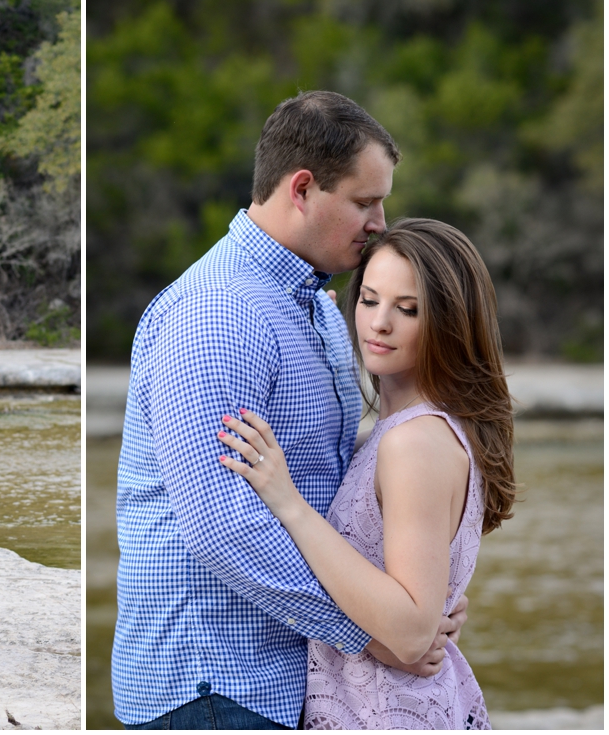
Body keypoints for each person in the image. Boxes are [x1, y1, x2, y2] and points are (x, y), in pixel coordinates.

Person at [112, 91, 468, 730]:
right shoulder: (218, 314)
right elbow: (223, 528)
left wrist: (414, 604)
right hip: (215, 685)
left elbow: (338, 491)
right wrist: (372, 634)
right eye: (364, 201)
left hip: (290, 678)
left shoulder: (317, 305)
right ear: (302, 189)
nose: (380, 221)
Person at [218, 217, 515, 728]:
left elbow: (409, 631)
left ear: (450, 322)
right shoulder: (404, 431)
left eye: (408, 309)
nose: (379, 323)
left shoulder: (414, 442)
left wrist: (289, 503)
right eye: (370, 299)